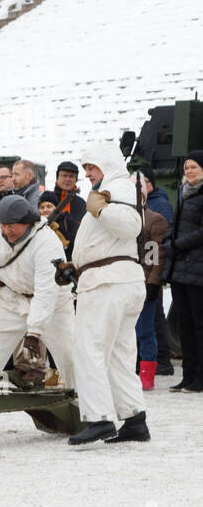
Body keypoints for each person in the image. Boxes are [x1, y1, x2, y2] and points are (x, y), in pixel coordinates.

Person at [66, 143, 150, 444]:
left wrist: (101, 209)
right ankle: (134, 418)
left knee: (89, 349)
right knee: (119, 354)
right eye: (86, 167)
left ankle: (99, 418)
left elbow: (130, 226)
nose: (87, 173)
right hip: (116, 279)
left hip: (107, 283)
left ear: (107, 164)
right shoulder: (116, 189)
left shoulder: (116, 188)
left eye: (92, 167)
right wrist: (74, 267)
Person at [0, 195, 76, 398]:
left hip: (53, 304)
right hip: (11, 299)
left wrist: (34, 332)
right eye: (3, 225)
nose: (6, 231)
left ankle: (83, 403)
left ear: (27, 223)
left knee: (70, 354)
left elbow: (46, 291)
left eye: (11, 226)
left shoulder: (47, 242)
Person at [165, 150, 203, 392]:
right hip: (180, 268)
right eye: (187, 167)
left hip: (198, 268)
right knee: (185, 325)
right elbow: (176, 226)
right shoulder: (184, 194)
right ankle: (188, 376)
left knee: (200, 325)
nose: (189, 171)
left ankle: (200, 377)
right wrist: (170, 241)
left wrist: (176, 245)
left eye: (194, 167)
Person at [133, 172, 170, 390]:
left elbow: (155, 256)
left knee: (145, 331)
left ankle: (147, 376)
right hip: (125, 283)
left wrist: (152, 284)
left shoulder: (155, 219)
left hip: (146, 283)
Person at [52, 160, 88, 232]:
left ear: (76, 179)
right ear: (57, 177)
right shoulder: (48, 200)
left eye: (71, 176)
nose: (68, 179)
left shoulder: (81, 204)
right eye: (64, 175)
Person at [36, 191, 74, 256]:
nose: (45, 210)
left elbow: (75, 243)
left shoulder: (67, 221)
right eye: (42, 207)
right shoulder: (36, 225)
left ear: (56, 207)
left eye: (49, 206)